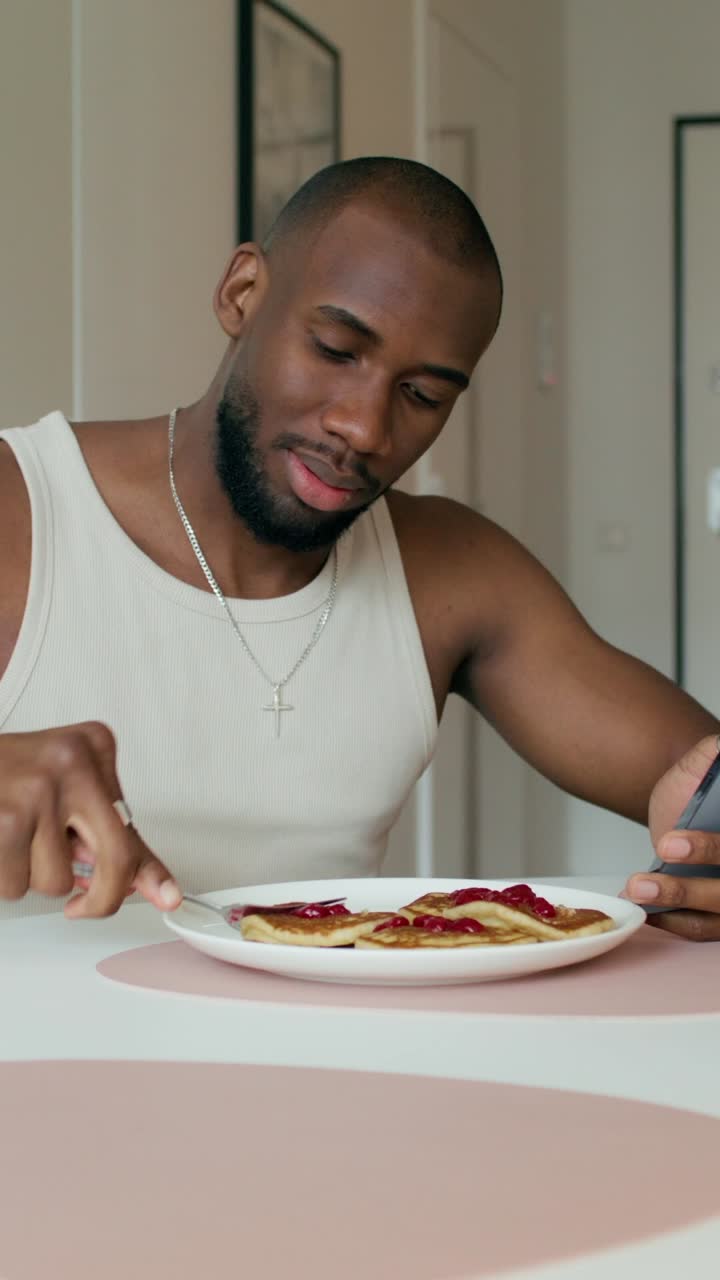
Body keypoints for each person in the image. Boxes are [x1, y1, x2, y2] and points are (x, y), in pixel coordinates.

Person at [1, 156, 719, 938]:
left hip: (328, 1058)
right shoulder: (21, 505)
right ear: (243, 294)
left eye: (423, 395)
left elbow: (695, 782)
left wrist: (705, 844)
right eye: (338, 350)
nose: (365, 429)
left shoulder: (454, 570)